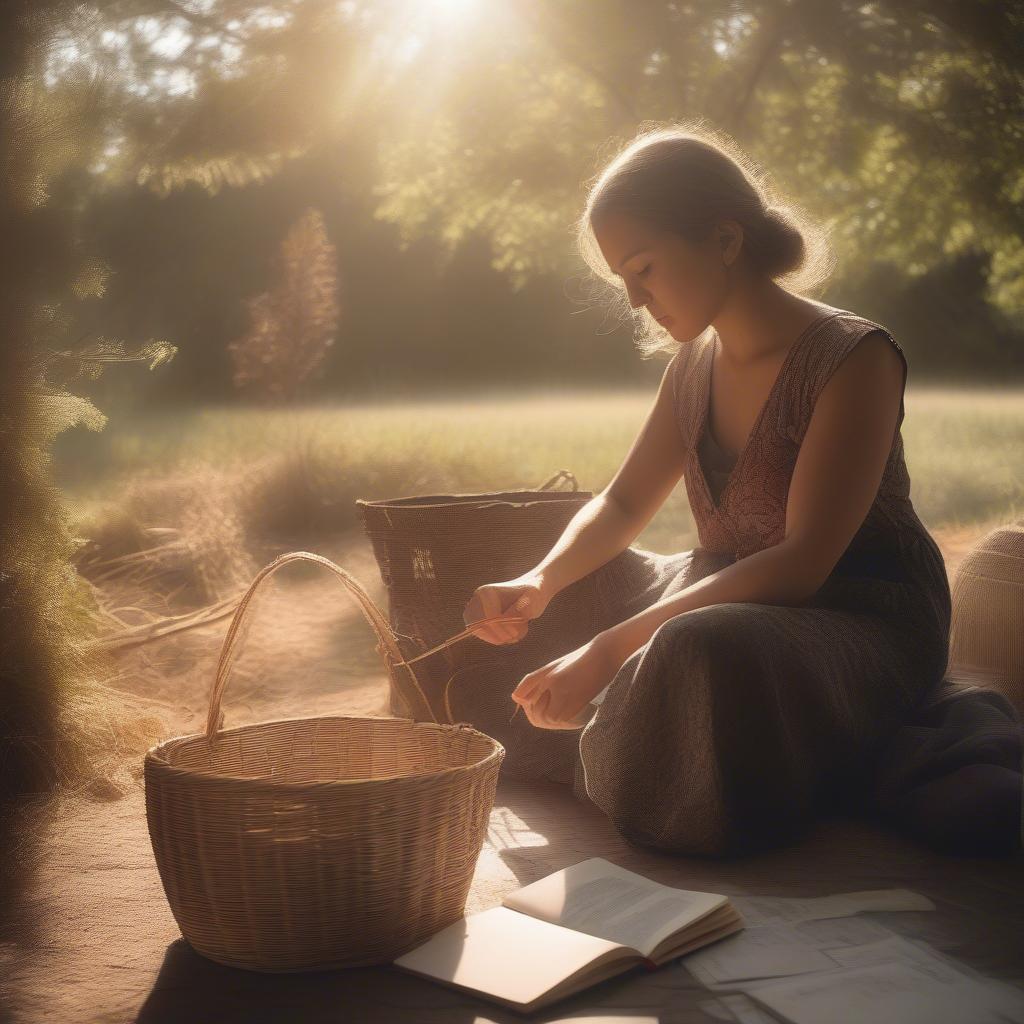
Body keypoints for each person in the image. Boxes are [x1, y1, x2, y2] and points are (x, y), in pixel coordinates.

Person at [462, 123, 1021, 858]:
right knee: (573, 602)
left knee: (694, 643)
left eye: (644, 269)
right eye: (622, 280)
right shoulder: (692, 364)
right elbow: (625, 504)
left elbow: (802, 563)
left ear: (726, 240)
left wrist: (608, 650)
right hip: (730, 589)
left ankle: (641, 753)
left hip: (859, 615)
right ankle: (633, 722)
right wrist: (539, 581)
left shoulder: (856, 358)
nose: (634, 301)